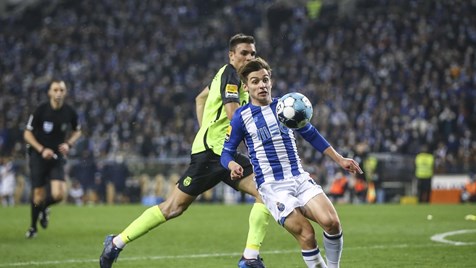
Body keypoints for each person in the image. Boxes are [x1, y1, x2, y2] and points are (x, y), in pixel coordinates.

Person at [100, 33, 271, 268]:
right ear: (231, 55)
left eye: (252, 53)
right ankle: (116, 242)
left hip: (221, 150)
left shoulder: (228, 77)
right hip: (212, 154)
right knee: (173, 207)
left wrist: (205, 130)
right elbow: (233, 115)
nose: (249, 57)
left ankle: (250, 257)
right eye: (244, 53)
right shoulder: (231, 75)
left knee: (265, 190)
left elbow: (199, 99)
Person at [221, 58, 363, 268]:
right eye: (255, 81)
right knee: (307, 234)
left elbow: (311, 133)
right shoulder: (241, 117)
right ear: (246, 86)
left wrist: (340, 159)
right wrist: (232, 165)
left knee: (331, 223)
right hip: (272, 186)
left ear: (271, 82)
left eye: (265, 80)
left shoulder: (285, 106)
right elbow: (226, 153)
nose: (261, 85)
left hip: (299, 177)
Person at [24, 79, 82, 238]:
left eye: (61, 90)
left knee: (59, 195)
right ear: (49, 92)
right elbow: (27, 134)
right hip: (38, 155)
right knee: (38, 195)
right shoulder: (40, 110)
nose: (58, 93)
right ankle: (33, 227)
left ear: (65, 92)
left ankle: (43, 209)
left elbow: (78, 131)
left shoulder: (69, 112)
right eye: (55, 90)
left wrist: (69, 144)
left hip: (56, 156)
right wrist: (41, 149)